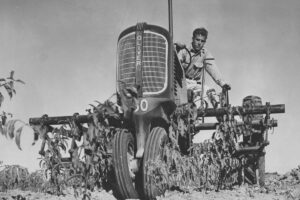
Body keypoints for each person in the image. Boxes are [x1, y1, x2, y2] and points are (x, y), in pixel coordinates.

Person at [176, 27, 230, 107]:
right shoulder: (184, 51)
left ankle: (220, 112)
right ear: (193, 39)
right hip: (182, 84)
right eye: (197, 40)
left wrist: (223, 84)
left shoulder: (205, 53)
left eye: (202, 41)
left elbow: (213, 69)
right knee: (188, 99)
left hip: (196, 84)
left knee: (211, 93)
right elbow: (175, 64)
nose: (199, 43)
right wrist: (176, 49)